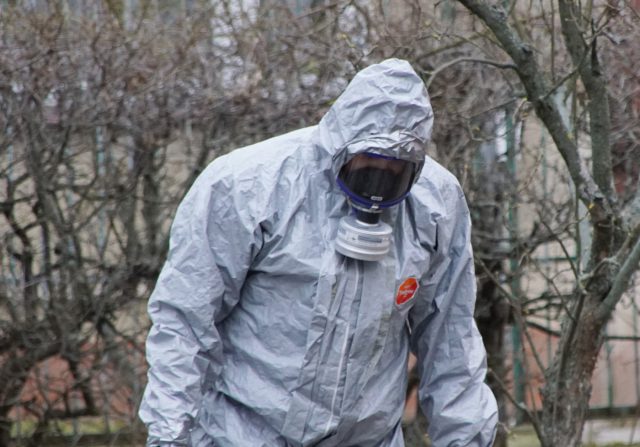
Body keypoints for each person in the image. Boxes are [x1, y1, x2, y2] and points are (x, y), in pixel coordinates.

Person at [139, 58, 498, 447]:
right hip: (241, 434)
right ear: (339, 147)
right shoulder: (248, 187)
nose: (378, 180)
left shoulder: (435, 205)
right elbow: (185, 321)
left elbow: (451, 339)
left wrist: (465, 439)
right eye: (367, 163)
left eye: (395, 169)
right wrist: (169, 436)